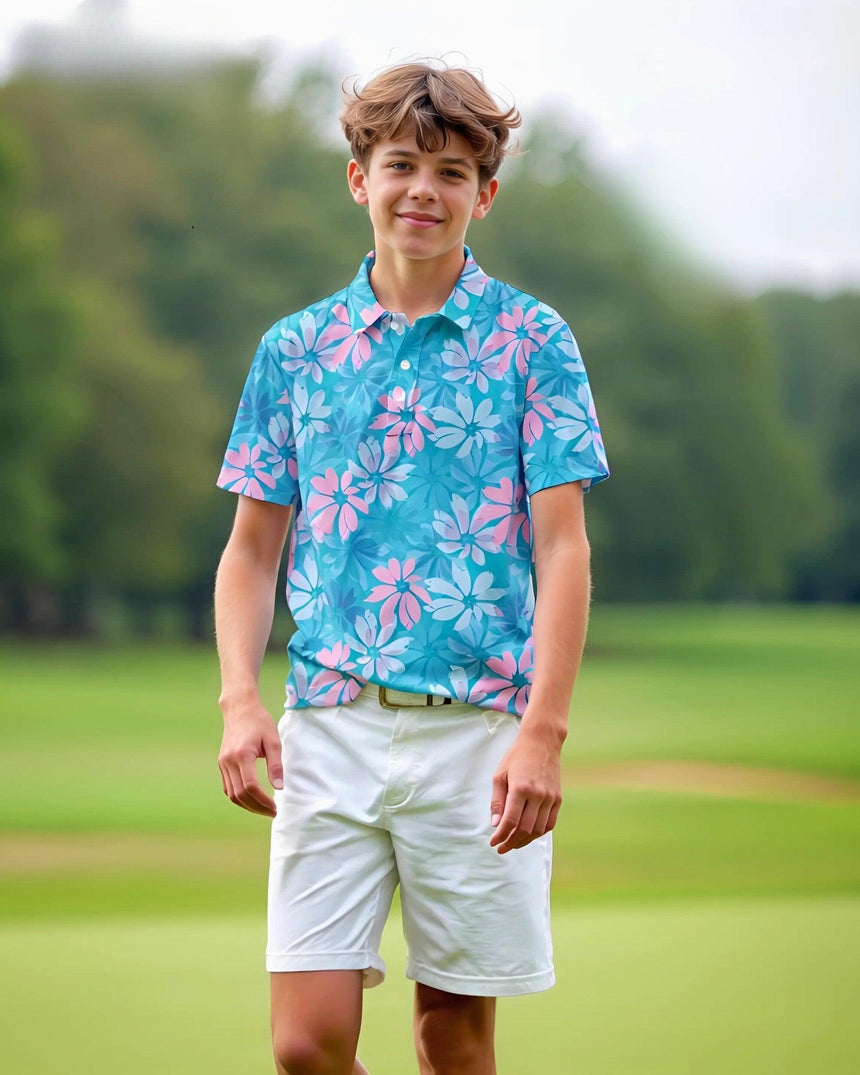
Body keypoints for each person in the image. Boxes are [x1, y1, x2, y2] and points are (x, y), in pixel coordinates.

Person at [214, 60, 610, 1075]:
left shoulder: (533, 340)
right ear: (359, 179)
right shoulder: (295, 349)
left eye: (450, 172)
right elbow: (251, 549)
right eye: (400, 165)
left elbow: (562, 547)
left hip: (480, 736)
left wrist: (543, 734)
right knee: (305, 1046)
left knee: (452, 1041)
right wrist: (239, 700)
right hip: (327, 726)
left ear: (485, 193)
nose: (422, 191)